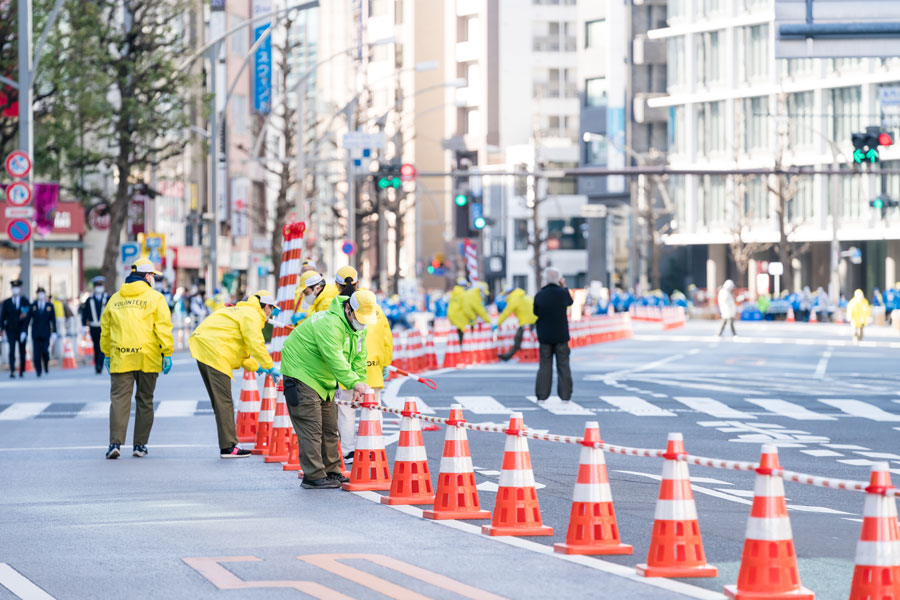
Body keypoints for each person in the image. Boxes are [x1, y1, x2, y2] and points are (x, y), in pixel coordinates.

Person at [280, 290, 376, 489]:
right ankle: (313, 476)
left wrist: (359, 382)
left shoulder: (359, 327)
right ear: (348, 309)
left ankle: (332, 470)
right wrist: (353, 383)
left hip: (324, 379)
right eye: (359, 318)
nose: (362, 323)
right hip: (301, 373)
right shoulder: (330, 323)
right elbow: (334, 357)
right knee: (312, 427)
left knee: (330, 427)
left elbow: (359, 356)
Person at [189, 290, 279, 458]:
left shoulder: (241, 311)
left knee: (220, 401)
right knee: (224, 401)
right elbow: (255, 343)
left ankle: (228, 444)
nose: (271, 313)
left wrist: (256, 366)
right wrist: (269, 365)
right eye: (272, 309)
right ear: (266, 306)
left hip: (203, 347)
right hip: (214, 351)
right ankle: (229, 447)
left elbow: (239, 347)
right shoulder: (252, 315)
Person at [100, 258, 174, 459]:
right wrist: (167, 353)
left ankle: (114, 443)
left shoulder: (115, 299)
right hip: (147, 357)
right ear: (147, 276)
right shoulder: (155, 298)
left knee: (119, 401)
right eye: (153, 276)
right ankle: (139, 446)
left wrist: (106, 353)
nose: (154, 280)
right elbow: (163, 328)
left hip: (121, 355)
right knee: (145, 400)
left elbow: (105, 329)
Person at [338, 291, 392, 465]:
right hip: (374, 368)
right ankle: (374, 448)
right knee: (373, 409)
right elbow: (386, 340)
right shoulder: (379, 311)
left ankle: (348, 452)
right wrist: (385, 363)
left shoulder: (341, 311)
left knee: (347, 410)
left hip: (347, 370)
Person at [533, 268, 573, 401]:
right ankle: (565, 395)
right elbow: (570, 302)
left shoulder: (540, 295)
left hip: (544, 335)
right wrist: (564, 286)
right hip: (561, 335)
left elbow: (535, 312)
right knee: (563, 365)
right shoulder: (562, 293)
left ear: (545, 279)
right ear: (559, 280)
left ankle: (542, 394)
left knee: (545, 365)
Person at [496, 285, 537, 361]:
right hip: (532, 320)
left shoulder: (514, 299)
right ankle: (510, 356)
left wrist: (497, 323)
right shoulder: (521, 295)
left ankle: (518, 356)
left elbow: (506, 312)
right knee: (526, 339)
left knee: (518, 338)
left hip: (526, 322)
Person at [1, 279, 30, 378]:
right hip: (11, 330)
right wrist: (2, 329)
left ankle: (22, 370)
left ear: (20, 289)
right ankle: (12, 370)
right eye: (13, 288)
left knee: (22, 351)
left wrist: (24, 331)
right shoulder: (7, 302)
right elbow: (2, 316)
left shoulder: (25, 301)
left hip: (21, 330)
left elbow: (27, 318)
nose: (15, 290)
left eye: (17, 288)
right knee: (12, 350)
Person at [81, 276, 109, 374]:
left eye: (100, 285)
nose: (99, 287)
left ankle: (99, 365)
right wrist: (83, 326)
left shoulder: (108, 298)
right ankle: (97, 363)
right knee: (96, 346)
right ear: (94, 287)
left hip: (104, 327)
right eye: (97, 286)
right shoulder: (89, 299)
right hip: (93, 327)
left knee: (103, 346)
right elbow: (84, 313)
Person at [27, 287, 57, 377]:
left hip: (46, 333)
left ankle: (46, 364)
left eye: (42, 293)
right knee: (36, 353)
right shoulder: (33, 306)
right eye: (39, 293)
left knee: (45, 351)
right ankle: (38, 370)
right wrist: (24, 331)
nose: (40, 295)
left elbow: (53, 320)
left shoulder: (49, 306)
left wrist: (54, 332)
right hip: (35, 333)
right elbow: (28, 319)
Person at [447, 278, 469, 346]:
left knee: (457, 338)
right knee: (463, 339)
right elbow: (466, 307)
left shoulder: (453, 293)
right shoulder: (463, 294)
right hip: (461, 318)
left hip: (453, 317)